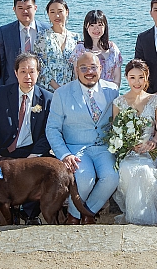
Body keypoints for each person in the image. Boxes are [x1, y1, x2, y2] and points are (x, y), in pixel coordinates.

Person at [0, 52, 53, 225]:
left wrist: (36, 154)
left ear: (38, 73)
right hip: (4, 149)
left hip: (30, 150)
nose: (28, 76)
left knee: (41, 170)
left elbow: (49, 132)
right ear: (15, 72)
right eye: (23, 71)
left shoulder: (48, 98)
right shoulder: (1, 94)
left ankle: (30, 215)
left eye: (32, 71)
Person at [45, 52, 120, 224]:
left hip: (103, 147)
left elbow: (118, 121)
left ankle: (86, 213)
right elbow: (52, 129)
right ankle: (74, 215)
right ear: (76, 69)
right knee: (85, 178)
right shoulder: (62, 94)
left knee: (111, 177)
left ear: (101, 69)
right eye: (84, 68)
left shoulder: (112, 91)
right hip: (74, 148)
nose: (89, 72)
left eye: (93, 67)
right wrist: (64, 155)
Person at [111, 59, 157, 225]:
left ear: (146, 77)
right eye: (132, 77)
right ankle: (135, 216)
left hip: (150, 150)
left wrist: (153, 141)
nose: (137, 82)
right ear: (126, 78)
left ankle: (144, 217)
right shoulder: (119, 102)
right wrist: (129, 144)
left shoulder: (155, 100)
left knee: (144, 170)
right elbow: (116, 131)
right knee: (127, 168)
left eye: (140, 77)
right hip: (128, 150)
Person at [0, 0, 49, 87]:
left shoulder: (48, 30)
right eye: (20, 8)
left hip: (43, 86)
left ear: (35, 8)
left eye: (28, 8)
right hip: (13, 85)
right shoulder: (4, 32)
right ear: (14, 9)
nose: (25, 11)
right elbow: (0, 64)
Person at [35, 0, 80, 91]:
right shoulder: (42, 36)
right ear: (48, 14)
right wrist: (57, 88)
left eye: (60, 11)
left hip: (70, 90)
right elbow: (39, 65)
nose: (57, 15)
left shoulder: (75, 38)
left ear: (67, 12)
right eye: (52, 12)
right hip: (47, 89)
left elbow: (77, 66)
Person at [71, 10, 123, 86]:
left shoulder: (112, 48)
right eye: (92, 25)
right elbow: (77, 76)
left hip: (109, 93)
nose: (96, 29)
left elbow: (117, 77)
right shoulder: (80, 49)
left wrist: (113, 92)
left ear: (105, 27)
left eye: (100, 25)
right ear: (86, 26)